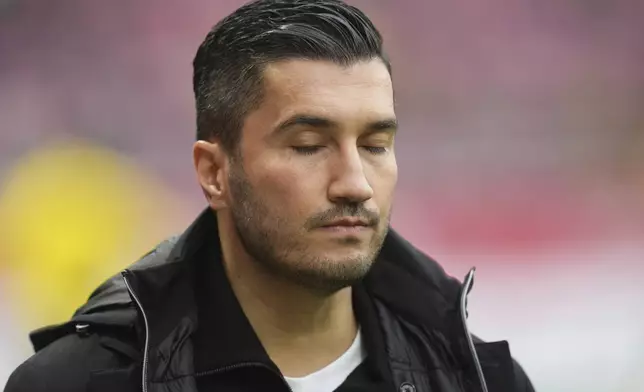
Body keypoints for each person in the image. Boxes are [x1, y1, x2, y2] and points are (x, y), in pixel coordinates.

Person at [5, 0, 535, 391]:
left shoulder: (483, 379)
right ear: (214, 172)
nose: (354, 183)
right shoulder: (76, 383)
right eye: (308, 146)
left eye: (375, 144)